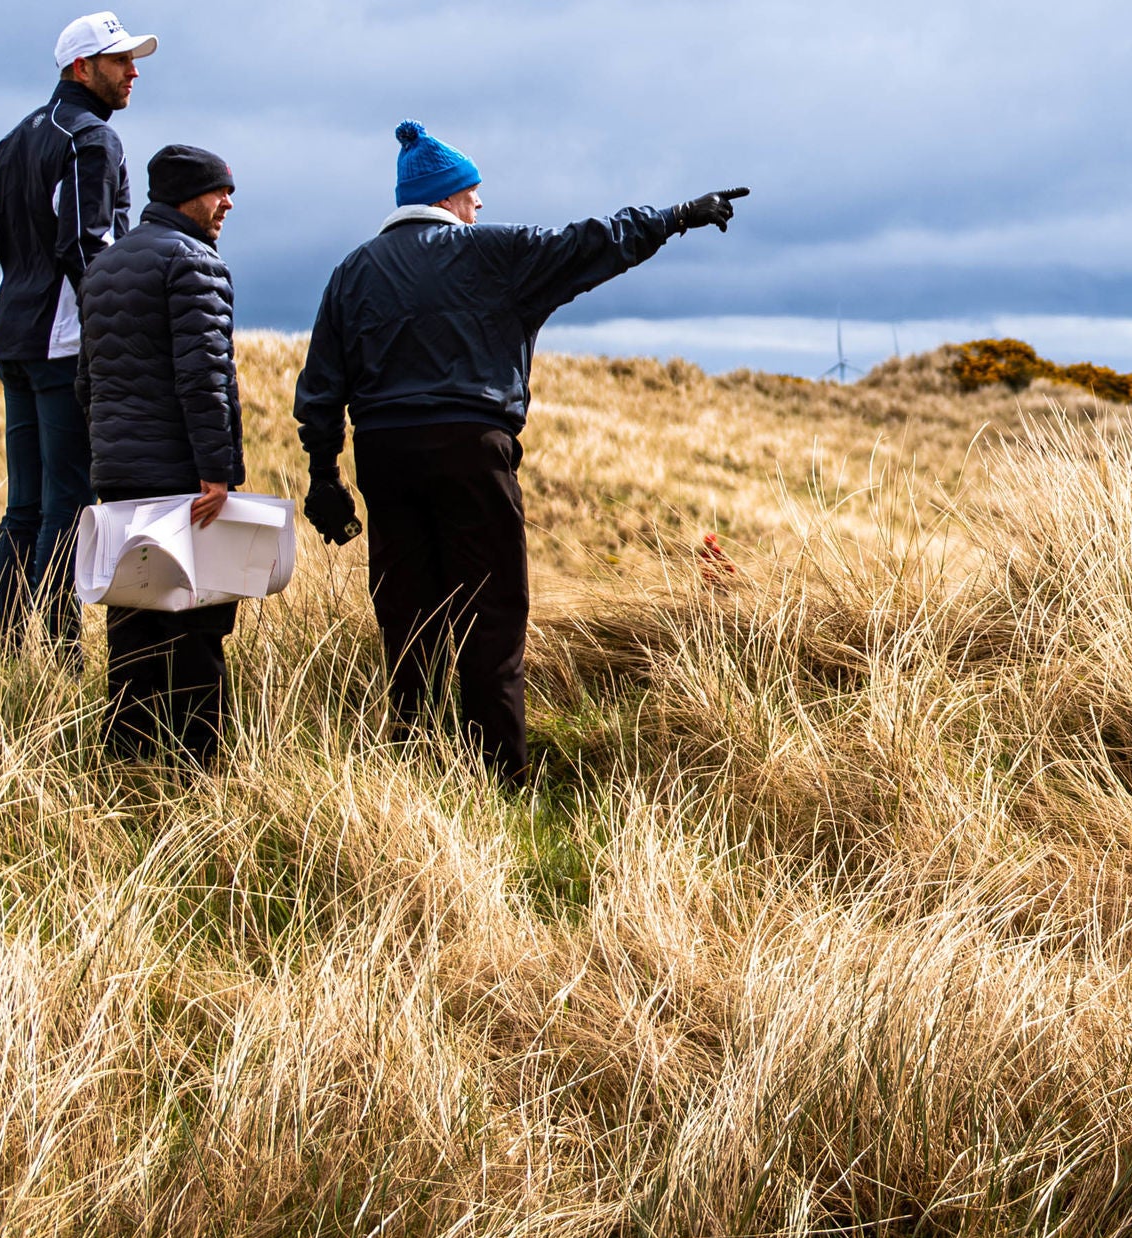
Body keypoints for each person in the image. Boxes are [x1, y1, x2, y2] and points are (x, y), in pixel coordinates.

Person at [294, 120, 745, 781]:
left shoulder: (353, 271)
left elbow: (321, 382)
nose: (480, 207)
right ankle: (497, 775)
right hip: (472, 450)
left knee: (406, 610)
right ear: (449, 197)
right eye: (474, 195)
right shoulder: (492, 255)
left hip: (384, 454)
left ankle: (409, 759)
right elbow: (593, 242)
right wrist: (676, 216)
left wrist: (323, 473)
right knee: (491, 608)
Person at [0, 11, 155, 651]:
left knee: (23, 503)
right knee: (68, 500)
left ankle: (11, 649)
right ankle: (58, 653)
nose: (134, 72)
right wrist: (113, 338)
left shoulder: (11, 141)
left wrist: (11, 320)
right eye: (120, 61)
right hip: (68, 346)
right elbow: (89, 245)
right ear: (83, 69)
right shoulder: (91, 140)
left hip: (17, 345)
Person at [76, 143, 245, 768]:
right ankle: (197, 772)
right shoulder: (193, 262)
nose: (227, 203)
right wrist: (216, 470)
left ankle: (124, 766)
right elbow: (203, 377)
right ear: (185, 196)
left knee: (133, 626)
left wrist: (108, 460)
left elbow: (86, 382)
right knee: (198, 629)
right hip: (184, 482)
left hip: (121, 478)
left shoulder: (103, 267)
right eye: (218, 191)